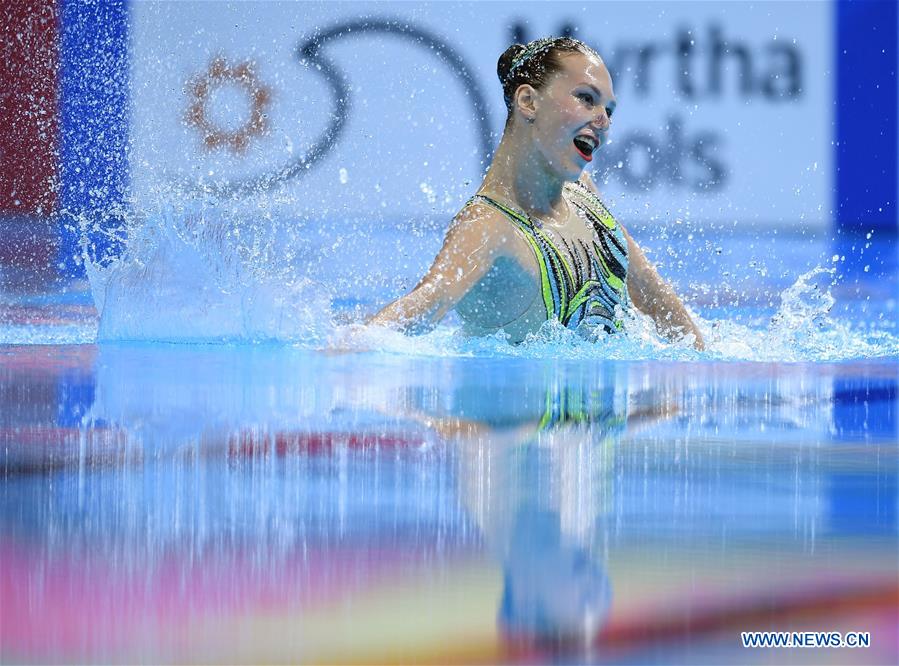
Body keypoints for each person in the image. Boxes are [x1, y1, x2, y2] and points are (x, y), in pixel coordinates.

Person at [368, 37, 705, 350]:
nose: (603, 120)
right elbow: (426, 303)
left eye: (609, 110)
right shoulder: (488, 226)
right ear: (528, 101)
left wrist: (701, 366)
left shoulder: (582, 193)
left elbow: (646, 284)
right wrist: (350, 351)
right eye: (586, 99)